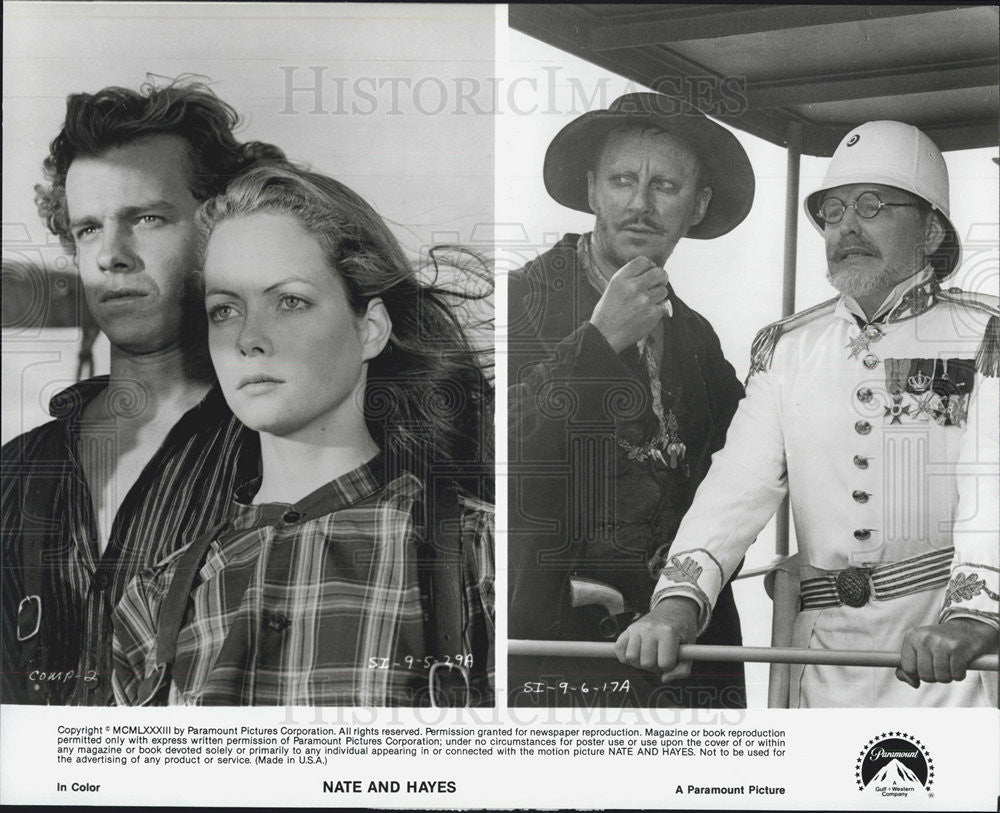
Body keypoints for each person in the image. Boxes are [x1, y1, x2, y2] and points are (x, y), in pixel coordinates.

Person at [617, 120, 999, 707]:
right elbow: (736, 486)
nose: (846, 226)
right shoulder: (788, 348)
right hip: (819, 661)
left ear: (929, 230)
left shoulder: (986, 335)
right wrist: (677, 606)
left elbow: (993, 483)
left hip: (951, 663)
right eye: (833, 211)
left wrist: (972, 620)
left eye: (872, 206)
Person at [111, 163, 495, 707]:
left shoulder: (480, 556)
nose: (248, 339)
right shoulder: (153, 602)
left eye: (289, 301)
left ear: (371, 329)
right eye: (224, 310)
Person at [1, 80, 284, 704]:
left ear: (221, 226)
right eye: (86, 229)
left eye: (147, 219)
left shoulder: (288, 453)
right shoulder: (16, 472)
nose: (111, 256)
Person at [507, 92, 755, 708]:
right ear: (593, 190)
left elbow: (750, 466)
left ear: (697, 206)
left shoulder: (697, 337)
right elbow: (488, 455)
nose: (640, 203)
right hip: (561, 656)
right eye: (622, 179)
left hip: (688, 658)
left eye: (665, 185)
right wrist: (598, 344)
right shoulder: (517, 300)